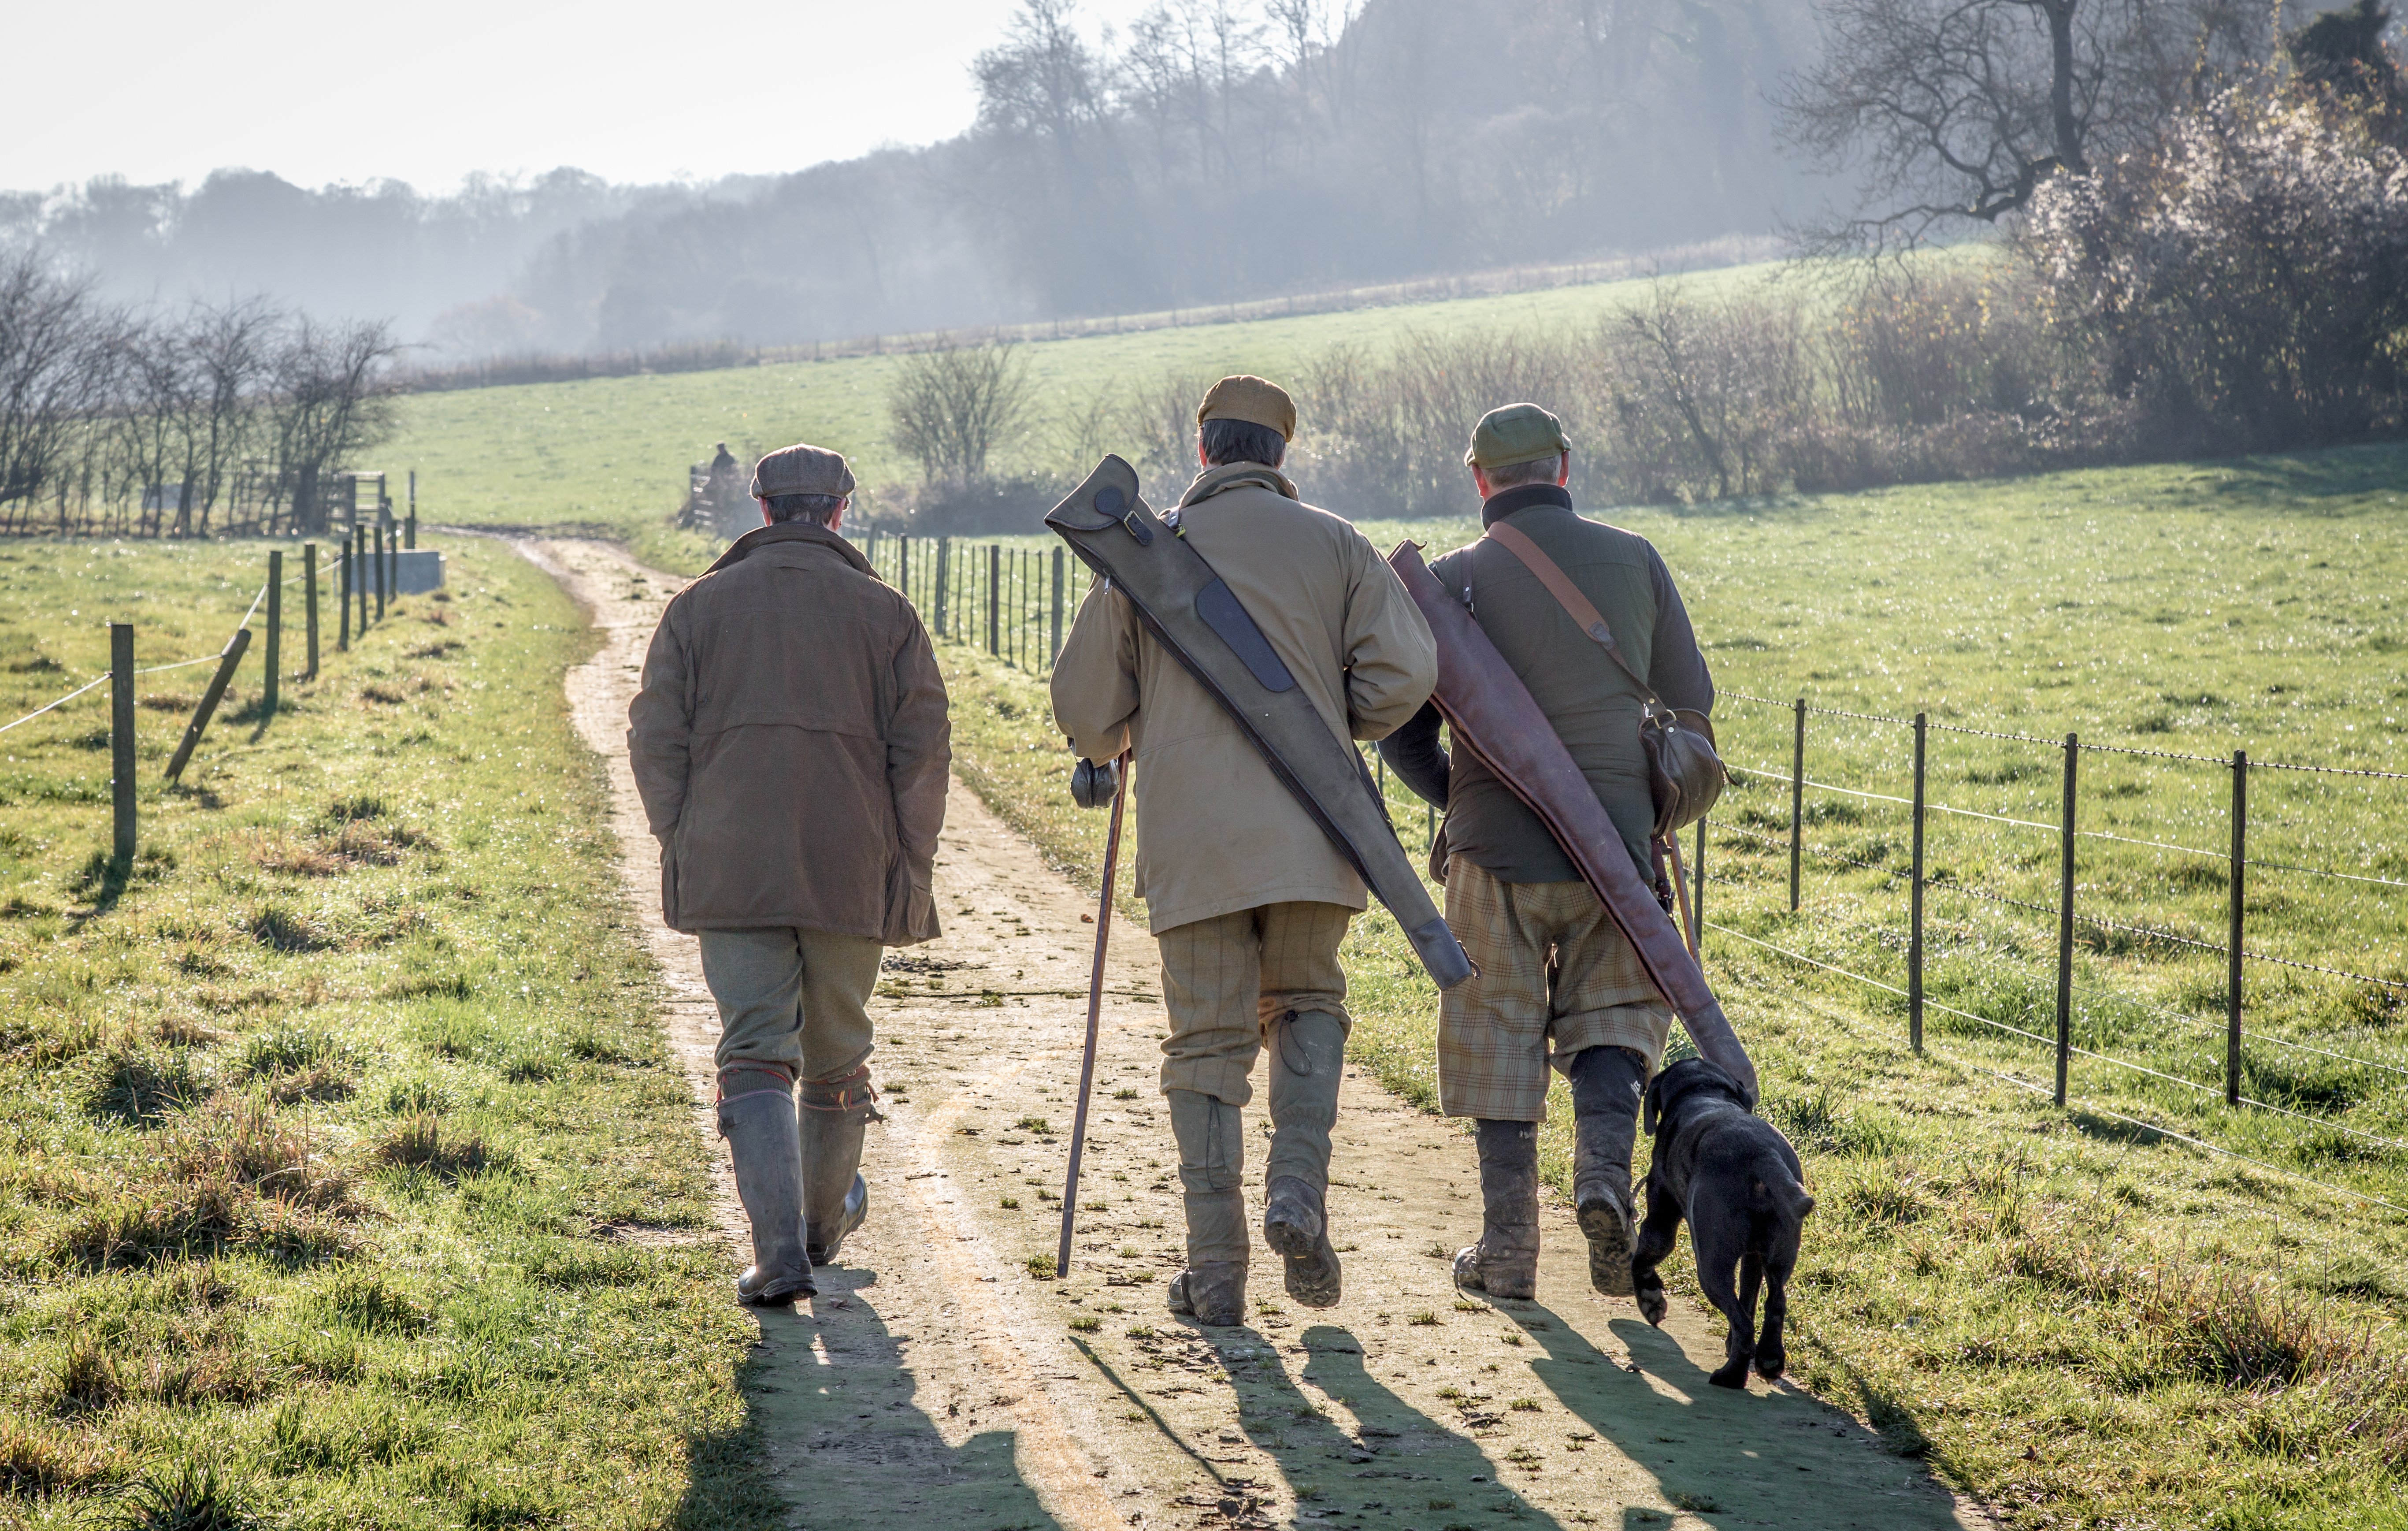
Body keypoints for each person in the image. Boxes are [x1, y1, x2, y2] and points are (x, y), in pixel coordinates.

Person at [1051, 376, 1437, 1326]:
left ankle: (1216, 1272)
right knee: (1307, 1002)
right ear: (1280, 455)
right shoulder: (1338, 543)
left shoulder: (1147, 557)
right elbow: (1409, 671)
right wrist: (1327, 722)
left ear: (1202, 452)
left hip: (1194, 847)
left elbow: (1088, 718)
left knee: (1207, 1046)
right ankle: (1296, 1192)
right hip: (1317, 833)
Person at [1377, 403, 1714, 1303]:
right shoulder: (1638, 558)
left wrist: (1469, 800)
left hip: (1494, 854)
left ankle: (1509, 1254)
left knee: (1497, 1039)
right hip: (1617, 850)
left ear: (1479, 481)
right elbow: (1691, 709)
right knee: (1614, 1021)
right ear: (1564, 467)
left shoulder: (1447, 587)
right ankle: (1603, 1182)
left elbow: (1401, 732)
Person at [628, 442, 950, 1305]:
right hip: (852, 865)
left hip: (731, 864)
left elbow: (655, 741)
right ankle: (817, 1228)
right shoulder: (890, 616)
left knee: (754, 1050)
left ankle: (779, 1256)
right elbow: (922, 758)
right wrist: (907, 866)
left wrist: (685, 835)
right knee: (839, 1051)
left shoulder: (695, 610)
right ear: (842, 510)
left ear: (762, 507)